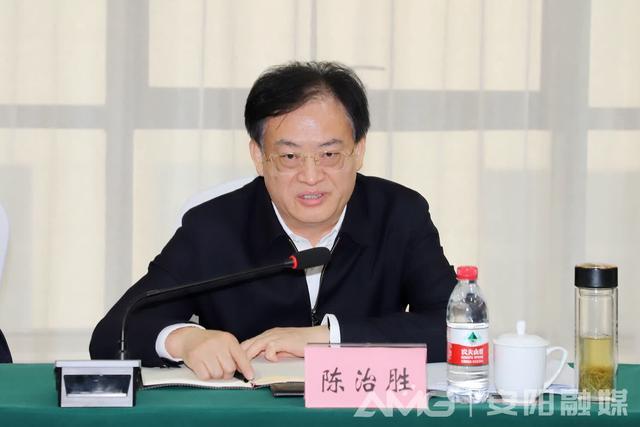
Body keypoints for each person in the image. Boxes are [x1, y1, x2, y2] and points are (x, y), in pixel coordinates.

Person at [90, 61, 456, 381]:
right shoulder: (214, 227)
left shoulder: (398, 214)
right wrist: (185, 340)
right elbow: (112, 334)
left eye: (329, 154)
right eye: (290, 157)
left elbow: (458, 326)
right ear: (258, 156)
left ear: (358, 151)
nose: (311, 176)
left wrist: (327, 337)